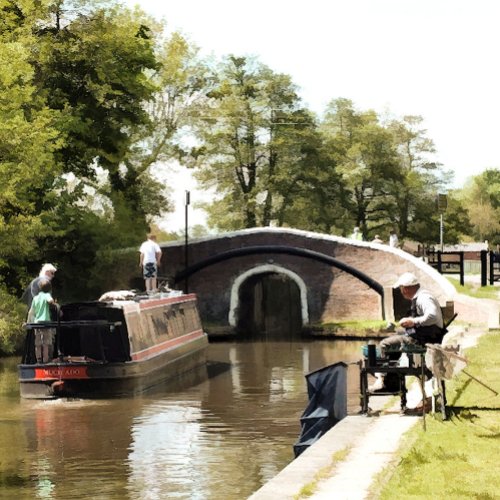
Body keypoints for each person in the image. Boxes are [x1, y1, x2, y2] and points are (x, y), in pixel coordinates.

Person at [369, 272, 444, 391]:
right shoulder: (421, 296)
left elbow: (433, 316)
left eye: (401, 288)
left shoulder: (424, 298)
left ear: (407, 288)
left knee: (385, 344)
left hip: (423, 340)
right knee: (396, 337)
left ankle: (385, 381)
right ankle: (391, 380)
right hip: (424, 337)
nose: (401, 291)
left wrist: (413, 321)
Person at [27, 279, 56, 364]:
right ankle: (45, 360)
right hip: (45, 322)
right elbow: (50, 301)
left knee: (38, 343)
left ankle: (39, 360)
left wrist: (29, 322)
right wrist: (55, 304)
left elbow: (32, 311)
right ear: (49, 289)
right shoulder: (47, 295)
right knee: (46, 343)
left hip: (37, 323)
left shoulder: (35, 298)